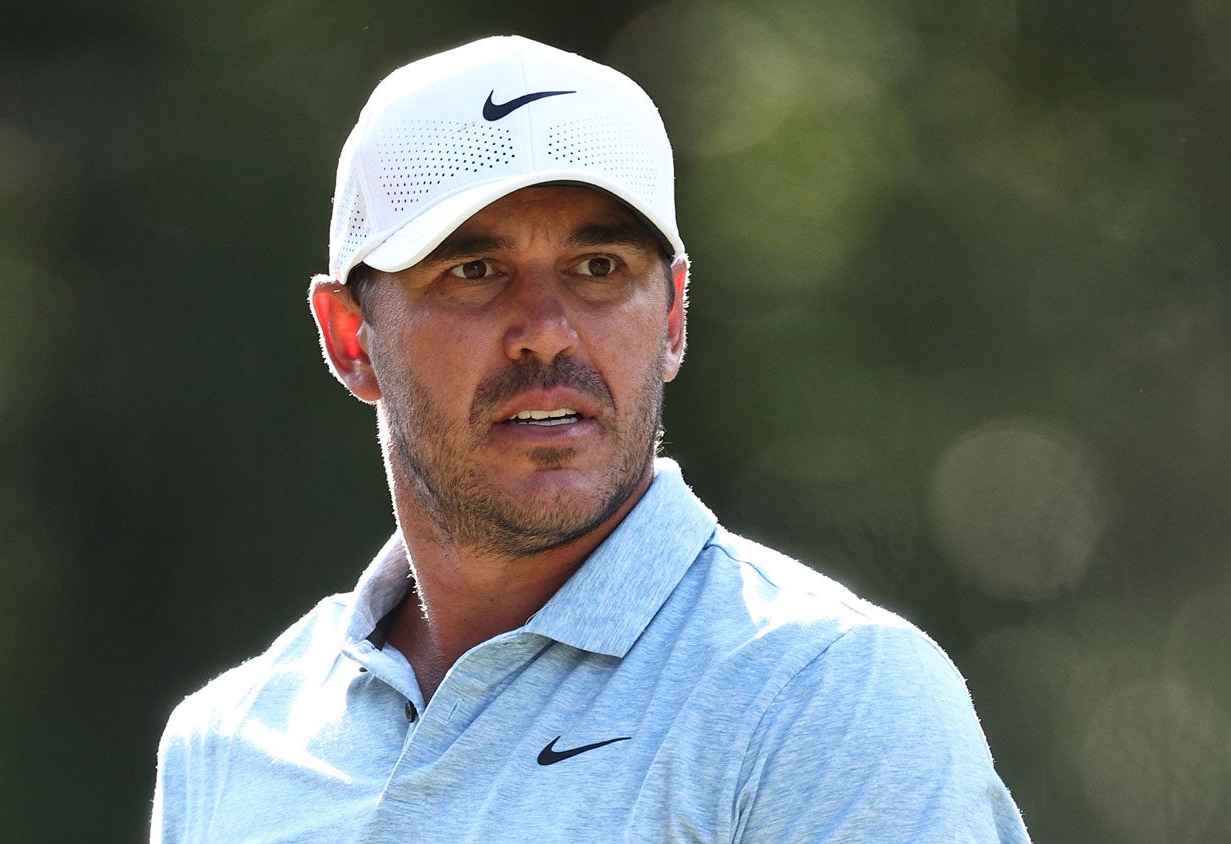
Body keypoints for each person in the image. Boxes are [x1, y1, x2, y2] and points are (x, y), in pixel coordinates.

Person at [150, 35, 1030, 842]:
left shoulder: (827, 694)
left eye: (599, 269)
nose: (546, 329)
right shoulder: (229, 741)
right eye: (473, 271)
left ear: (675, 316)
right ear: (351, 339)